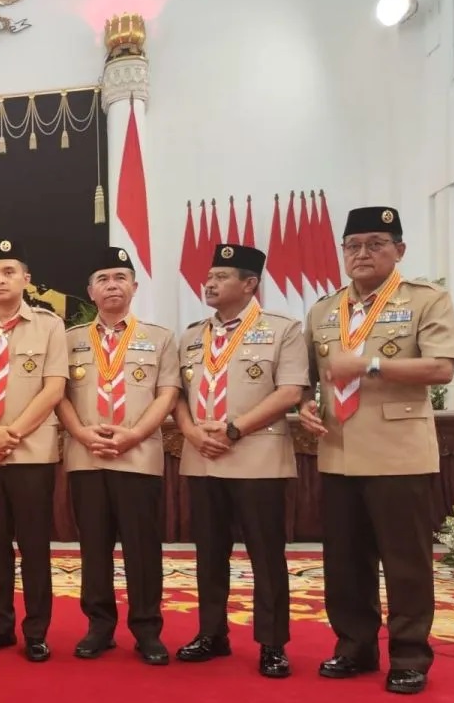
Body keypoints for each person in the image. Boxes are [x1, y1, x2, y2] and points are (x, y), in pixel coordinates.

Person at [299, 206, 454, 695]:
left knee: (405, 560)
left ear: (399, 250)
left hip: (398, 451)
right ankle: (355, 646)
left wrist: (369, 366)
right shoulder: (324, 309)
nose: (363, 254)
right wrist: (309, 406)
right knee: (344, 560)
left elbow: (441, 368)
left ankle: (410, 655)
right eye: (353, 245)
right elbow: (312, 379)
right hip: (338, 449)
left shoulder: (425, 301)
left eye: (376, 243)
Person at [173, 244, 306, 677]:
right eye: (208, 276)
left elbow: (289, 391)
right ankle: (211, 633)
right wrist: (192, 433)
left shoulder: (282, 330)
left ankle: (271, 643)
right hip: (203, 457)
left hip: (257, 457)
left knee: (266, 554)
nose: (209, 283)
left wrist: (234, 429)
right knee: (209, 552)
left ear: (249, 284)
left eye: (222, 276)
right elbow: (176, 395)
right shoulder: (192, 335)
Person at [57, 247, 179, 666]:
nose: (113, 285)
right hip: (86, 456)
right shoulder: (69, 340)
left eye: (120, 277)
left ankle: (147, 629)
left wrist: (135, 435)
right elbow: (59, 396)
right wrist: (81, 433)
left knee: (143, 549)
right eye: (104, 278)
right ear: (91, 291)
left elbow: (168, 394)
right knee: (93, 546)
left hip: (138, 456)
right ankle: (99, 627)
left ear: (134, 286)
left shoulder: (159, 338)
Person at [0, 238, 67, 663]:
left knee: (34, 544)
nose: (0, 280)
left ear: (26, 279)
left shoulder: (49, 325)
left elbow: (54, 387)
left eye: (8, 272)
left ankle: (36, 631)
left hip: (31, 453)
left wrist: (10, 434)